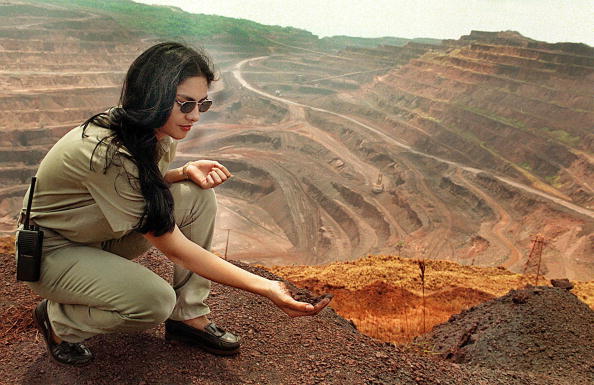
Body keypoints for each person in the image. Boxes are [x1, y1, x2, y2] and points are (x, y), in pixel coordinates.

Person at [16, 42, 331, 366]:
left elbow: (135, 184)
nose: (195, 116)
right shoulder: (104, 151)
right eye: (185, 104)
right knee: (153, 302)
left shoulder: (153, 134)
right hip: (53, 252)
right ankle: (58, 320)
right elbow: (175, 248)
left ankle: (189, 317)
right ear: (153, 96)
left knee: (195, 195)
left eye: (202, 105)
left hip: (95, 233)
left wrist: (179, 173)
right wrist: (267, 288)